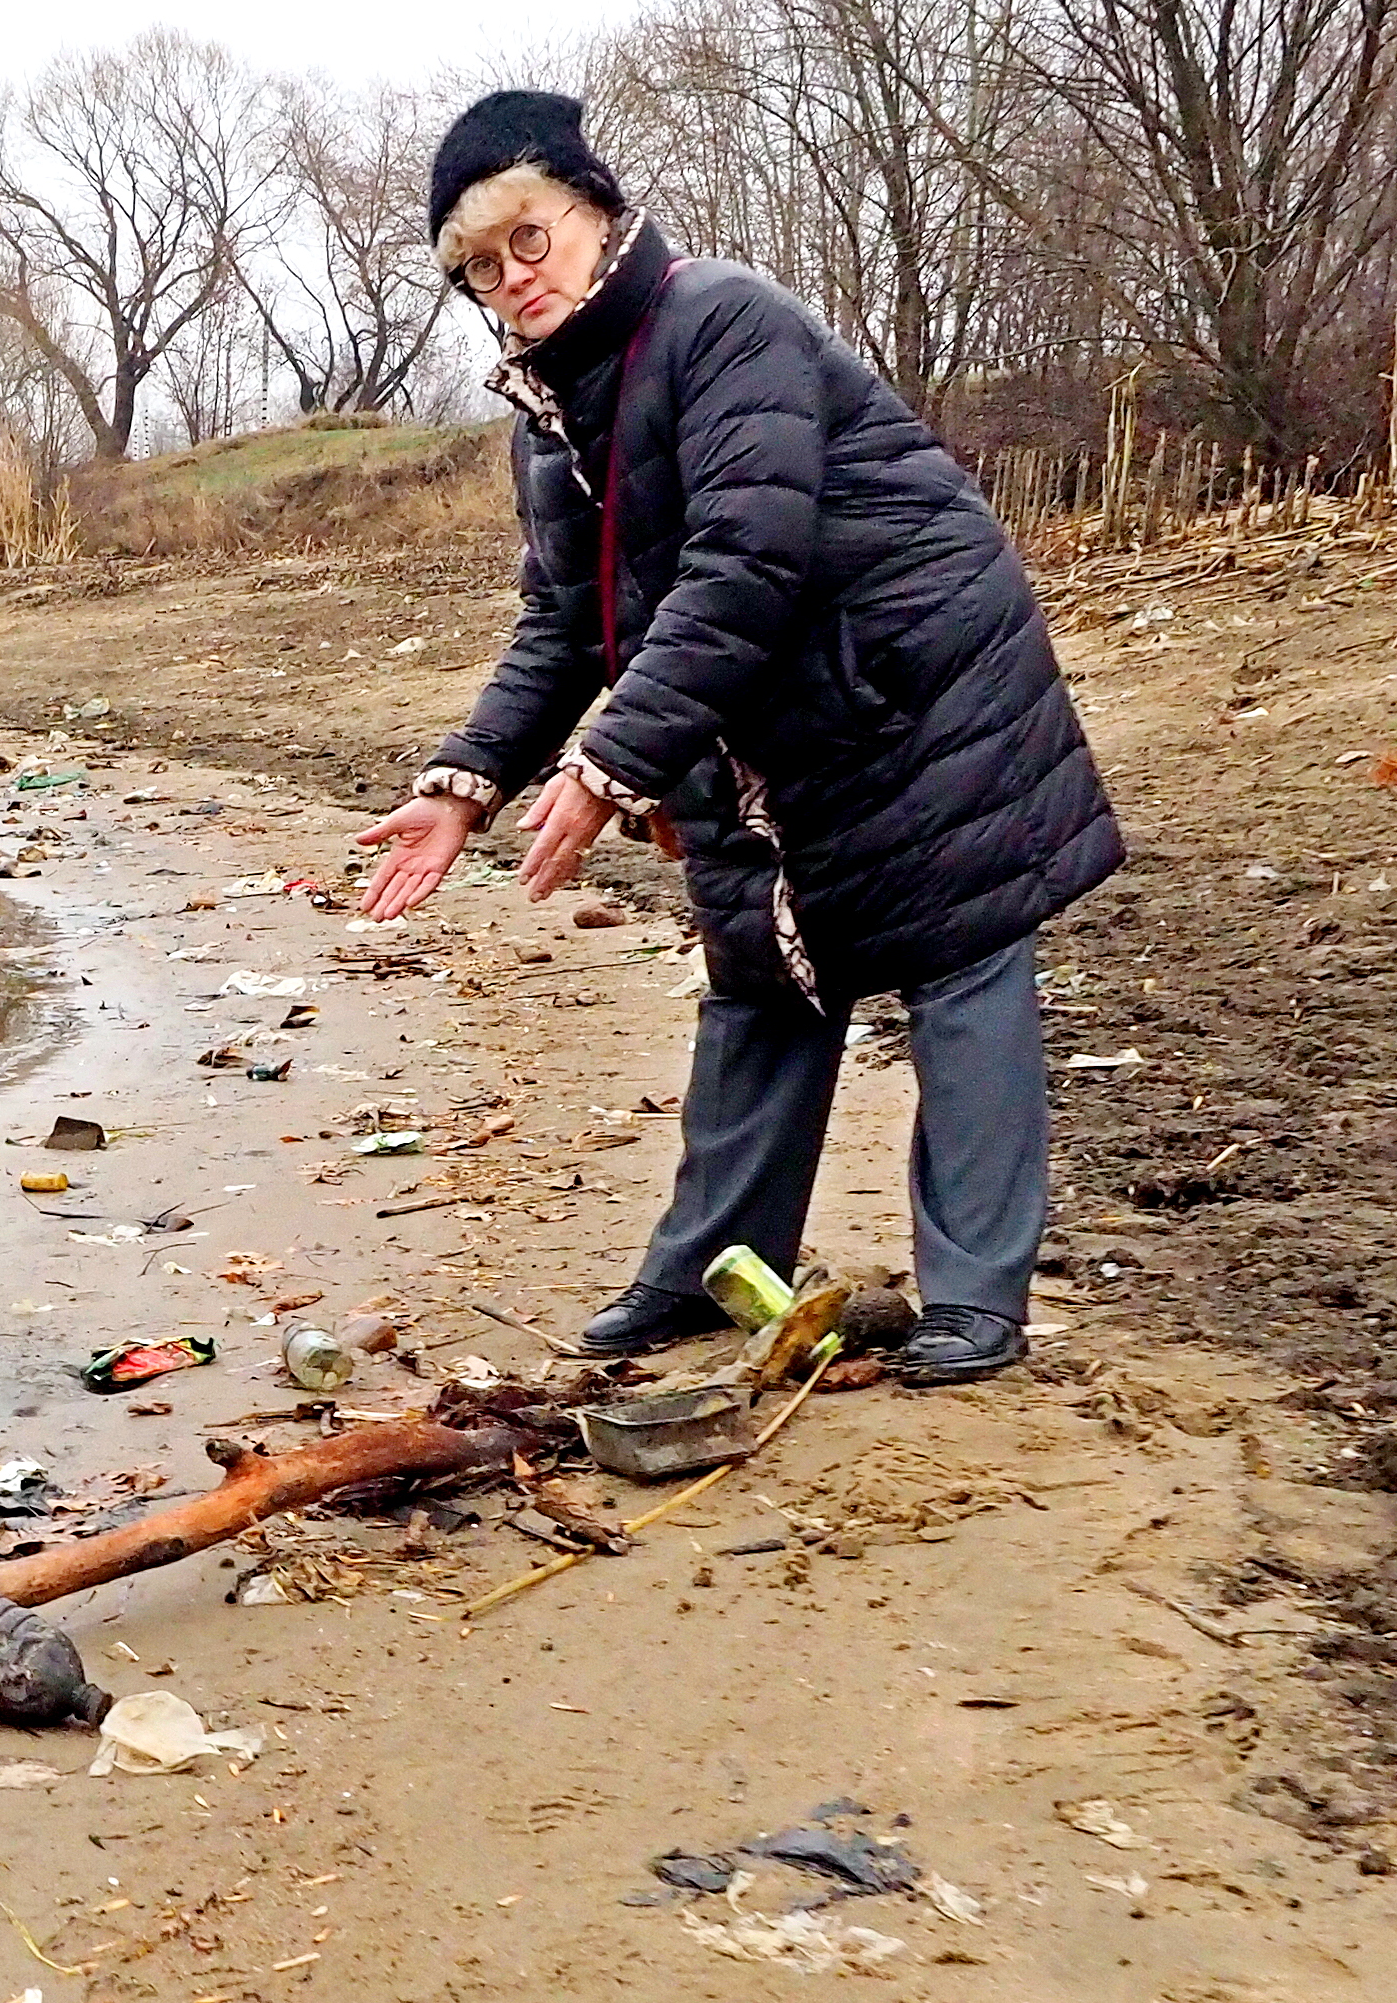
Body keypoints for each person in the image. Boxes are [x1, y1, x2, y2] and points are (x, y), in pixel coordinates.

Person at [354, 90, 1122, 1384]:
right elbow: (561, 627)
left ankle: (975, 1301)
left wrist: (609, 768)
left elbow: (743, 561)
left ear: (594, 213)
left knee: (959, 964)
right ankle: (708, 1264)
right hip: (763, 716)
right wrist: (462, 785)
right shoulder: (547, 425)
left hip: (919, 684)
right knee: (759, 981)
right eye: (479, 269)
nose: (510, 282)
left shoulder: (721, 321)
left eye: (525, 241)